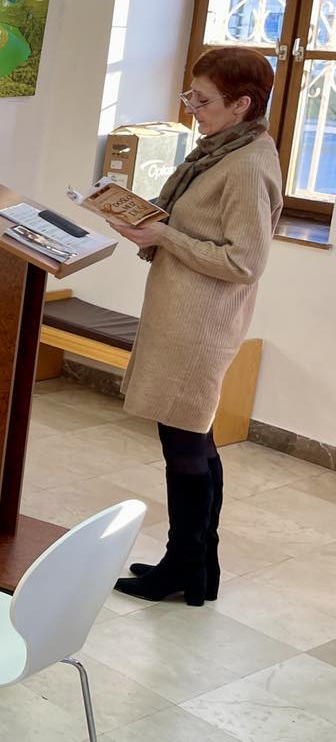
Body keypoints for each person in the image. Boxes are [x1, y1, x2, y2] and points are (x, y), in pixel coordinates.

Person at [112, 47, 283, 607]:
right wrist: (148, 220)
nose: (192, 109)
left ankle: (182, 567)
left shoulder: (248, 164)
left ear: (241, 105)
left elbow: (244, 261)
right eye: (190, 95)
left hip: (201, 324)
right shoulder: (220, 152)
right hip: (183, 315)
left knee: (184, 443)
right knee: (193, 439)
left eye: (202, 100)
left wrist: (164, 236)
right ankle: (197, 565)